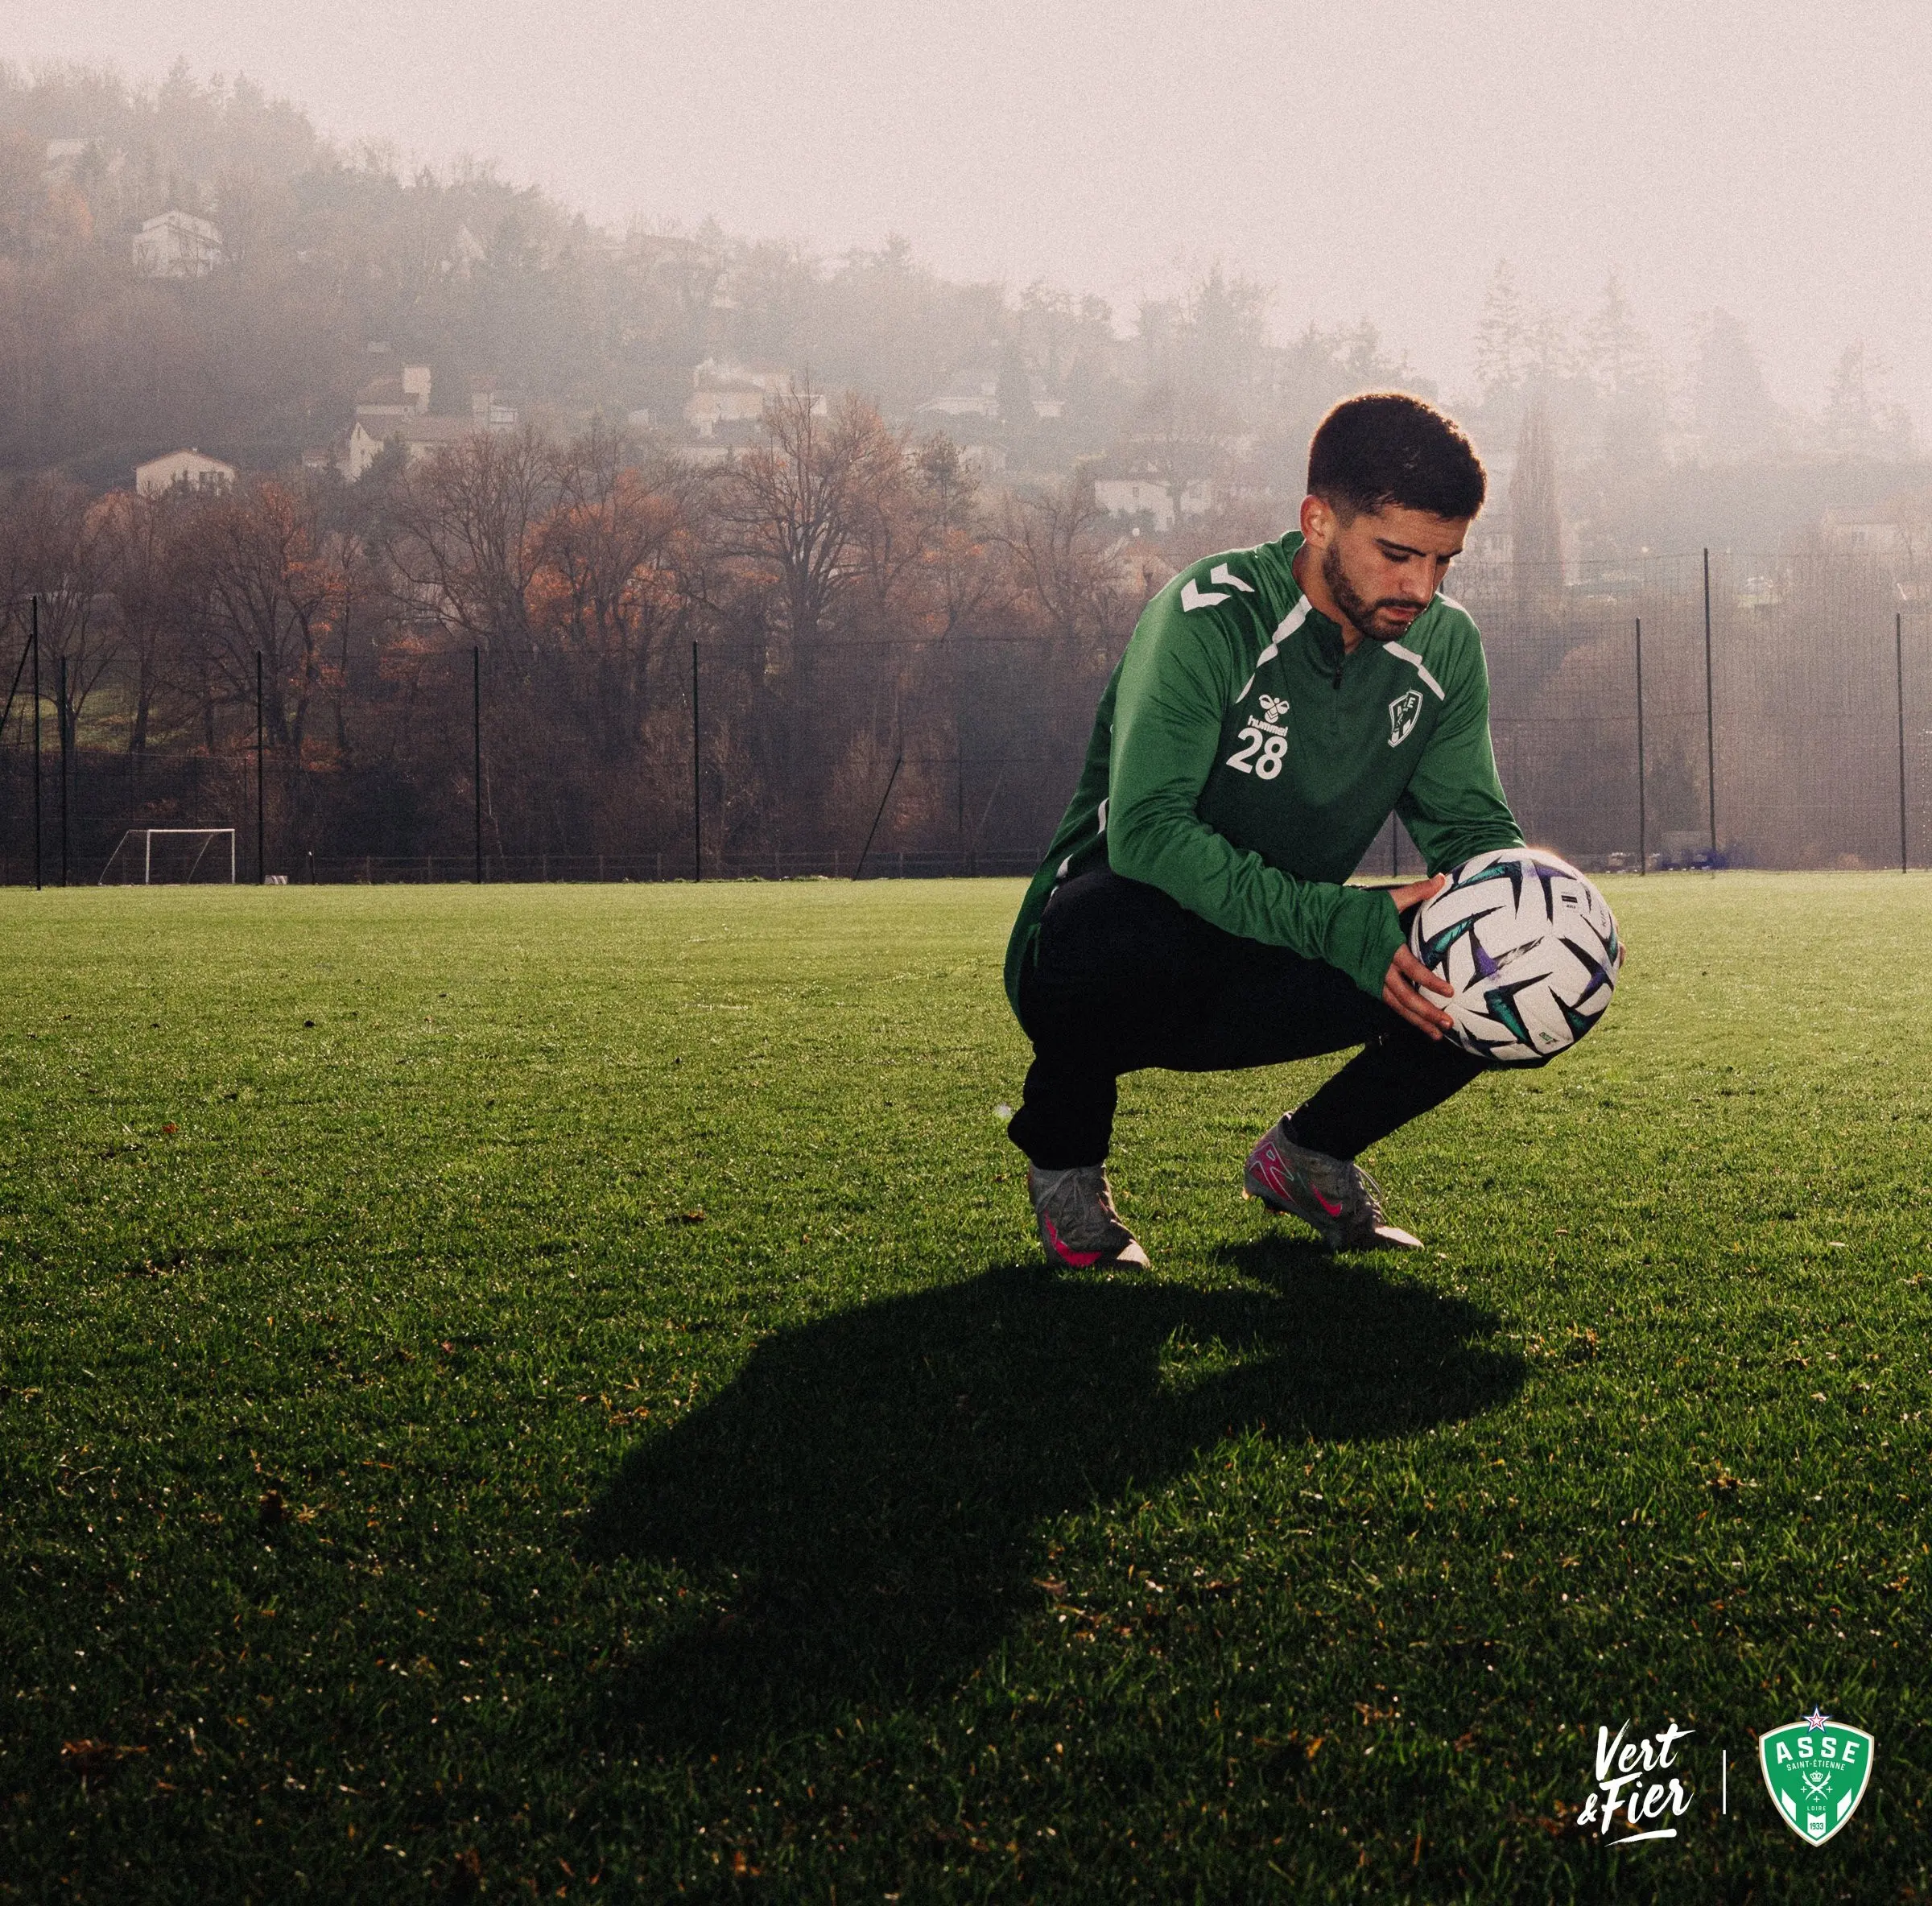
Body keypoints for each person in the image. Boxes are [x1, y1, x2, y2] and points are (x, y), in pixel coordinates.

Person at [1003, 392, 1522, 1268]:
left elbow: (1472, 832)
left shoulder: (1444, 649)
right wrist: (1341, 922)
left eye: (1444, 562)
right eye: (1397, 554)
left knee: (1503, 959)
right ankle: (1067, 1165)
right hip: (1123, 961)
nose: (1420, 588)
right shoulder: (1209, 614)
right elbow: (1148, 835)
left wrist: (1538, 911)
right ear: (1318, 520)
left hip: (1278, 955)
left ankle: (1310, 1154)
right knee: (1096, 919)